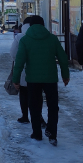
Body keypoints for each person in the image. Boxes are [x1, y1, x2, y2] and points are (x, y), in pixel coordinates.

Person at [12, 17, 69, 146]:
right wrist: (65, 75)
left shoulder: (25, 40)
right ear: (44, 25)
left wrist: (16, 80)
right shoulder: (52, 39)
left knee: (34, 106)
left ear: (30, 26)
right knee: (53, 106)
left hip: (32, 79)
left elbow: (19, 62)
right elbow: (63, 58)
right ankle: (52, 133)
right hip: (50, 79)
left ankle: (37, 133)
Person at [9, 16, 46, 126]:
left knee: (24, 93)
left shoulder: (19, 37)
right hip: (38, 71)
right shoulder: (43, 36)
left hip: (23, 70)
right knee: (37, 94)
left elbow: (13, 53)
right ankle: (38, 115)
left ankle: (25, 116)